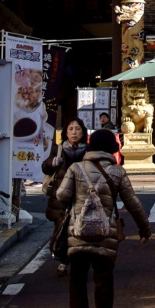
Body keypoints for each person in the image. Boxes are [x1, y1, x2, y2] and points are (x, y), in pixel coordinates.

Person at [58, 128, 151, 308]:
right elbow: (133, 203)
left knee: (77, 278)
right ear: (112, 149)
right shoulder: (117, 171)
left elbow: (62, 196)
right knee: (104, 278)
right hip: (105, 233)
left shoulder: (76, 168)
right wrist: (144, 229)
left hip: (78, 232)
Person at [42, 117, 88, 273]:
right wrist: (52, 163)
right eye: (71, 129)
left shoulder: (88, 150)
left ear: (83, 132)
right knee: (62, 228)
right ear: (66, 132)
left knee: (80, 228)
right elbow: (45, 168)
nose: (74, 132)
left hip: (81, 195)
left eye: (77, 129)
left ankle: (77, 258)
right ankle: (63, 261)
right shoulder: (58, 149)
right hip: (61, 196)